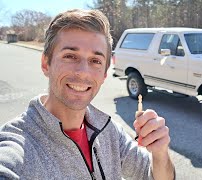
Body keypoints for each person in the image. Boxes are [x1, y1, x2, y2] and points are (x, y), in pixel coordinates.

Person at [0, 9, 175, 180]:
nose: (83, 72)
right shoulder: (20, 144)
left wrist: (160, 154)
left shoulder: (110, 131)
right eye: (70, 56)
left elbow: (150, 174)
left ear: (105, 74)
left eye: (95, 61)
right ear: (46, 64)